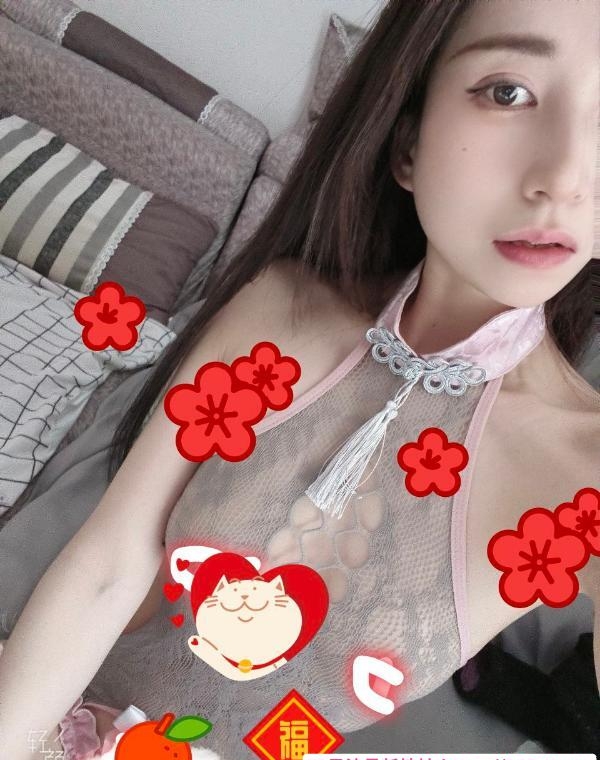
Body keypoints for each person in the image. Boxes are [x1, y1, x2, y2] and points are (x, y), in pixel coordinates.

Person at [1, 0, 599, 757]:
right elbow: (107, 571)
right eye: (508, 92)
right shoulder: (280, 308)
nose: (564, 177)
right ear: (407, 142)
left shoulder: (584, 472)